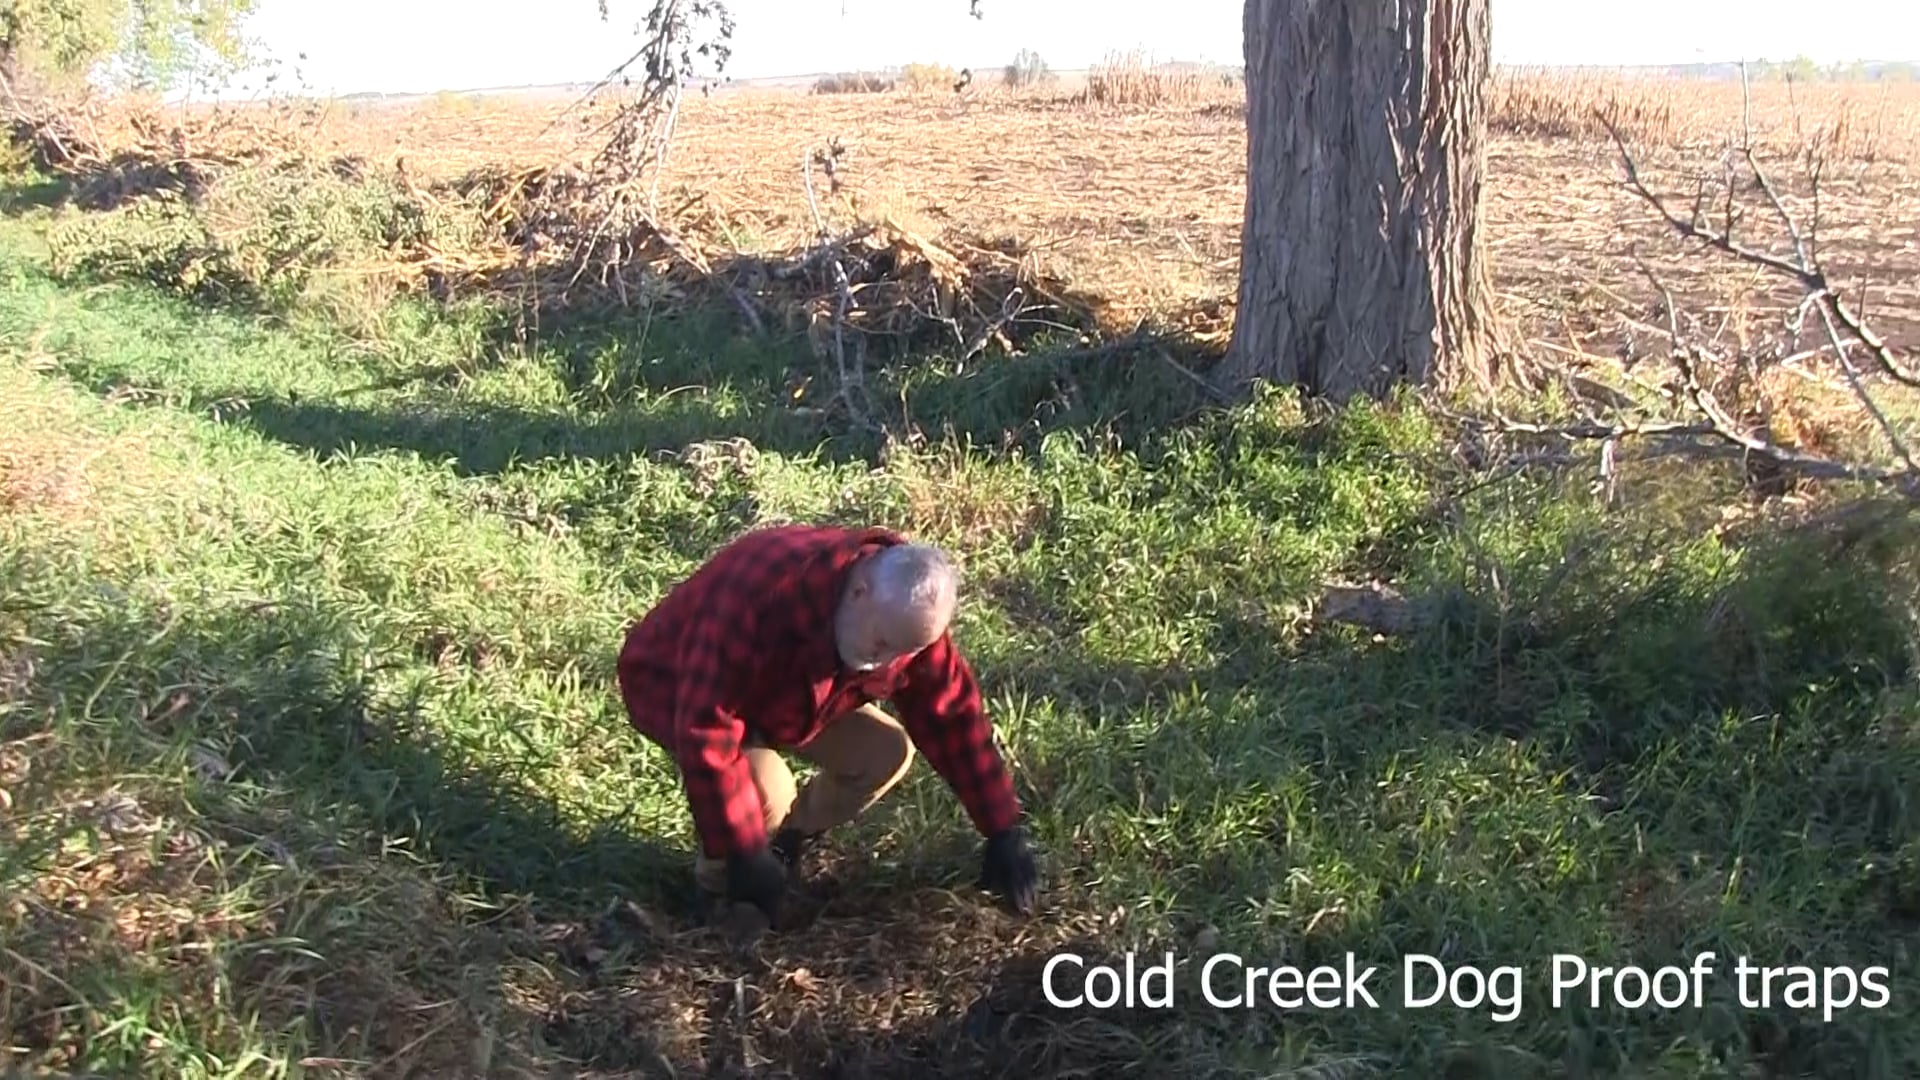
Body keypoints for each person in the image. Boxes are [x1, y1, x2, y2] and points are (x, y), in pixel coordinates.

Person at [615, 523, 1039, 924]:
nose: (887, 660)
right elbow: (706, 729)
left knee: (886, 752)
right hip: (676, 682)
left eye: (902, 652)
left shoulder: (905, 619)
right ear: (859, 591)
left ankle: (784, 846)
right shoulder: (760, 594)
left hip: (788, 696)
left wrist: (1001, 827)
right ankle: (721, 895)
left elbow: (953, 716)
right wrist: (740, 850)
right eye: (882, 643)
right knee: (767, 793)